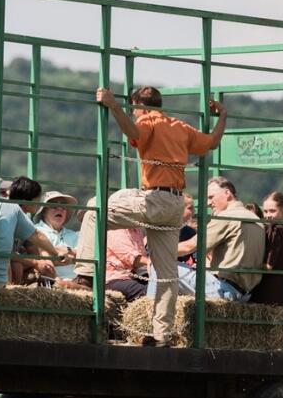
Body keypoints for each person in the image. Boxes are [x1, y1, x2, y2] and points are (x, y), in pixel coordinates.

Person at [97, 85, 228, 346]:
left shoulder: (148, 120)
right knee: (167, 273)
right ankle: (162, 334)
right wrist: (223, 116)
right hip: (175, 204)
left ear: (138, 106)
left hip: (155, 199)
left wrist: (113, 106)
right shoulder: (179, 126)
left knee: (94, 214)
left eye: (134, 110)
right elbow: (212, 142)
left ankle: (86, 274)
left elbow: (133, 132)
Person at [166, 177, 264, 302]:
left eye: (211, 197)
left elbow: (189, 246)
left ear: (227, 193)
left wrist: (160, 253)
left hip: (223, 289)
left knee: (160, 266)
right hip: (245, 294)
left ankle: (151, 313)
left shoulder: (227, 216)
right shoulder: (256, 219)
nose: (208, 202)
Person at [250, 190, 283, 305]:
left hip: (265, 291)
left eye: (272, 211)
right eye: (265, 211)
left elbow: (268, 266)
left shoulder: (275, 231)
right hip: (280, 291)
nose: (268, 216)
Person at [33, 191, 79, 280]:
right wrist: (70, 254)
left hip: (77, 280)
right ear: (44, 211)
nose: (60, 209)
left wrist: (55, 253)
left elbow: (84, 256)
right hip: (50, 280)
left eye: (63, 206)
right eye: (54, 205)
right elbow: (39, 255)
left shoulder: (74, 235)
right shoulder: (35, 231)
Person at [105, 226, 149, 301]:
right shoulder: (115, 228)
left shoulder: (137, 230)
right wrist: (155, 263)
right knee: (149, 292)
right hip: (113, 279)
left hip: (131, 277)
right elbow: (131, 258)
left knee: (160, 287)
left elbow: (141, 255)